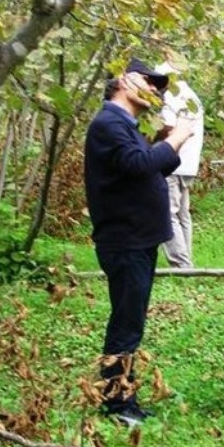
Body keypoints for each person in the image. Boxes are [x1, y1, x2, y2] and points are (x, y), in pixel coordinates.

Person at [84, 57, 194, 426]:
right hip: (125, 239)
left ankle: (123, 393)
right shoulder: (108, 123)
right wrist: (177, 137)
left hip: (138, 238)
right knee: (126, 323)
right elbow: (138, 165)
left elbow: (150, 166)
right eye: (150, 82)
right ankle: (116, 403)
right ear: (124, 80)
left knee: (131, 320)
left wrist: (164, 144)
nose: (156, 90)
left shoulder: (125, 125)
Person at [155, 62, 205, 269]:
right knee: (182, 214)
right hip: (189, 163)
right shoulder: (191, 95)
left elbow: (167, 128)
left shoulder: (171, 97)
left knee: (166, 213)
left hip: (173, 162)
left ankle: (181, 264)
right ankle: (186, 262)